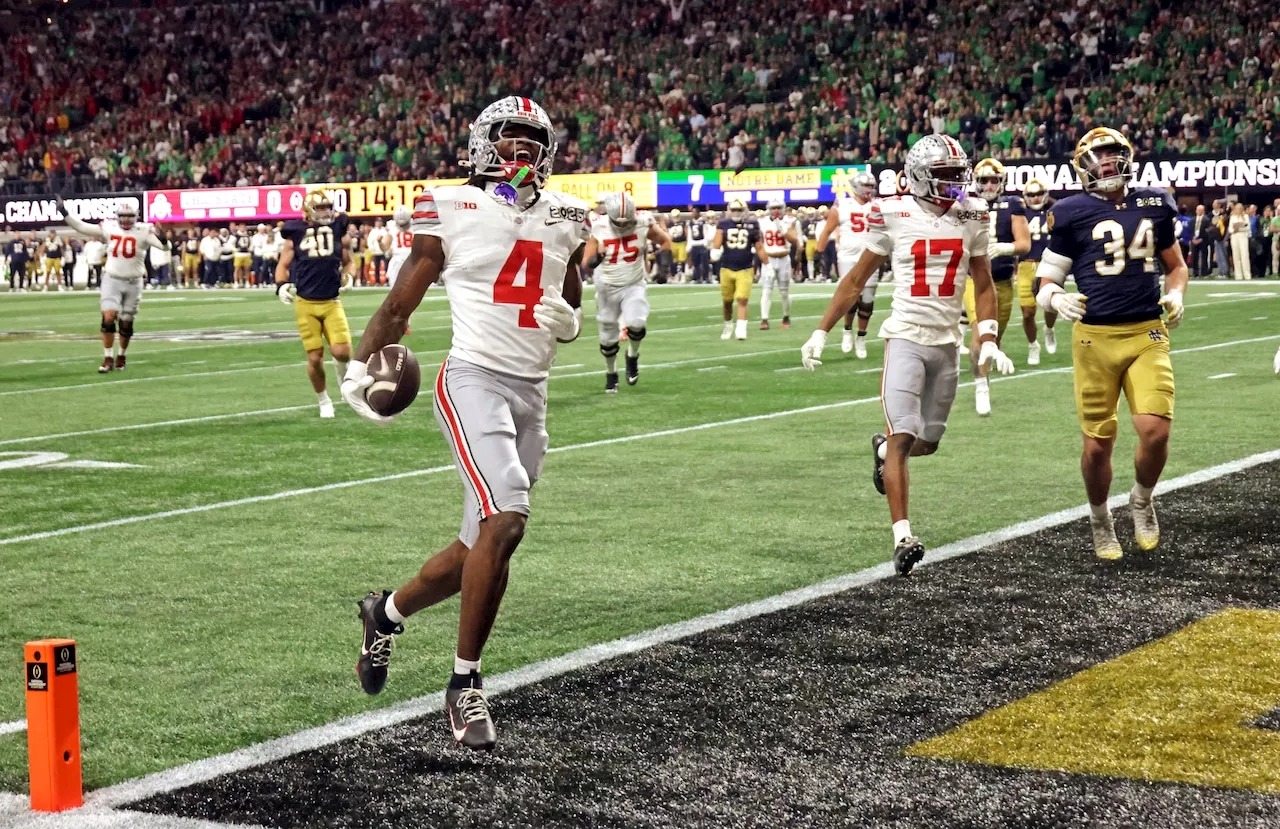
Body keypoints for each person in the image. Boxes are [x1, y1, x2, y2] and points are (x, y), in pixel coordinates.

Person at [342, 96, 589, 751]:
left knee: (477, 547)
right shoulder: (449, 205)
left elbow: (568, 301)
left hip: (532, 391)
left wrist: (572, 318)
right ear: (483, 146)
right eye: (510, 142)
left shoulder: (569, 214)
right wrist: (357, 368)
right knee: (508, 511)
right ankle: (463, 684)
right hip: (472, 377)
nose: (522, 155)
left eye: (533, 144)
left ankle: (384, 612)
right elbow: (401, 302)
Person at [800, 134, 1014, 576]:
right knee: (903, 433)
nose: (957, 184)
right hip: (904, 337)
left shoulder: (974, 214)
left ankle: (882, 454)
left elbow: (984, 281)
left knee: (927, 443)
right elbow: (857, 279)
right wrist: (821, 331)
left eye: (960, 175)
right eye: (946, 176)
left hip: (947, 340)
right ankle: (903, 537)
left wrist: (988, 336)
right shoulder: (891, 212)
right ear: (919, 176)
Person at [1035, 127, 1188, 560]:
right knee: (1097, 444)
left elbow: (1175, 266)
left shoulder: (1154, 202)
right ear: (1083, 163)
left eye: (1112, 153)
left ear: (1126, 157)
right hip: (1094, 338)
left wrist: (1176, 293)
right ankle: (1100, 517)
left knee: (1154, 431)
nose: (1106, 161)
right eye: (1098, 155)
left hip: (1146, 331)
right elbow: (1045, 280)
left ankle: (1141, 498)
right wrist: (1055, 297)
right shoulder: (1068, 211)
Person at [56, 196, 164, 373]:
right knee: (108, 316)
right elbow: (81, 227)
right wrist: (64, 213)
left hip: (134, 281)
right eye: (124, 216)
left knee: (126, 323)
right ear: (118, 216)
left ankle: (121, 355)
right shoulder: (109, 227)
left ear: (135, 216)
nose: (127, 219)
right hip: (112, 278)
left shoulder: (144, 230)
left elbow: (164, 248)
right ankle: (107, 357)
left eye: (130, 216)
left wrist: (164, 238)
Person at [276, 191, 356, 419]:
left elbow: (349, 262)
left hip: (331, 301)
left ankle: (343, 379)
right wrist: (281, 285)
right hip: (306, 303)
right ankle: (324, 400)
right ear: (309, 209)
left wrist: (350, 276)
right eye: (320, 208)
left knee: (342, 352)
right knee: (314, 357)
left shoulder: (338, 230)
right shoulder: (296, 232)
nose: (326, 212)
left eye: (327, 207)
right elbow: (283, 264)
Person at [585, 191, 669, 392]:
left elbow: (665, 241)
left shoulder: (643, 221)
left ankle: (632, 356)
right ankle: (611, 373)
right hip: (606, 286)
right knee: (607, 337)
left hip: (633, 283)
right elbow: (586, 263)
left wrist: (664, 269)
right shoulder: (598, 225)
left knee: (637, 323)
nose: (623, 226)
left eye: (626, 222)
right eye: (618, 222)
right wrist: (597, 258)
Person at [967, 158, 1029, 414]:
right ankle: (981, 385)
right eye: (984, 180)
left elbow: (1024, 244)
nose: (990, 184)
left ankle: (985, 377)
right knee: (979, 337)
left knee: (995, 339)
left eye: (994, 179)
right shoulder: (966, 203)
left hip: (1002, 281)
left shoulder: (1012, 204)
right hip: (973, 281)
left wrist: (1005, 247)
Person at [816, 171, 877, 357]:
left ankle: (861, 337)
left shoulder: (877, 206)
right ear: (857, 186)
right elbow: (827, 230)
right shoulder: (842, 205)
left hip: (871, 256)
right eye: (866, 186)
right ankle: (847, 330)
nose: (869, 190)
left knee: (867, 300)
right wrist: (819, 253)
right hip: (848, 257)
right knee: (850, 297)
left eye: (871, 186)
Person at [712, 199, 767, 340]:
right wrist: (715, 250)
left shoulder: (752, 224)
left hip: (745, 267)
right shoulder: (723, 224)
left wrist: (767, 264)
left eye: (739, 210)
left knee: (742, 299)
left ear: (745, 211)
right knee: (727, 301)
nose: (736, 213)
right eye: (734, 210)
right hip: (726, 267)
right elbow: (717, 242)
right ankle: (728, 325)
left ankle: (741, 327)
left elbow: (759, 246)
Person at [1017, 178, 1058, 364]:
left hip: (1048, 264)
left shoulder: (1054, 212)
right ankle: (1033, 344)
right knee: (1027, 312)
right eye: (1031, 195)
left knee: (1050, 305)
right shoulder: (1020, 213)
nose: (1035, 198)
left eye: (1039, 194)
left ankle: (1049, 329)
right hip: (1026, 265)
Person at [757, 198, 799, 330]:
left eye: (778, 208)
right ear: (769, 209)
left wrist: (782, 229)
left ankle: (786, 316)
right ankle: (764, 319)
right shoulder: (761, 222)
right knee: (766, 291)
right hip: (769, 258)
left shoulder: (790, 221)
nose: (776, 211)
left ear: (783, 208)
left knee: (784, 292)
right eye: (773, 208)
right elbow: (758, 242)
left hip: (783, 258)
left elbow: (794, 240)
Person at [385, 206, 414, 286]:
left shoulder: (416, 225)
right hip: (398, 259)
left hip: (412, 258)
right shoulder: (391, 226)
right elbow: (385, 246)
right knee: (394, 286)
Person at [686, 207, 710, 284]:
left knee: (705, 263)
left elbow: (705, 232)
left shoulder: (703, 222)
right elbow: (689, 234)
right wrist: (689, 244)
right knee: (696, 263)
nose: (693, 214)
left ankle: (706, 277)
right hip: (694, 244)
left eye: (694, 212)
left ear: (698, 213)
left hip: (702, 243)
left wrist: (706, 242)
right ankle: (697, 278)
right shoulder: (690, 223)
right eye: (692, 212)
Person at [1228, 203, 1251, 280]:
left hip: (1243, 236)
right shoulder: (1232, 217)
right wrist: (1234, 230)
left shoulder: (1245, 216)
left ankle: (1247, 275)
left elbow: (1247, 228)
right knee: (1236, 256)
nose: (1238, 210)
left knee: (1244, 255)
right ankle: (1238, 275)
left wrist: (1239, 229)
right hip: (1234, 237)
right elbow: (1230, 229)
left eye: (1239, 209)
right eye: (1236, 209)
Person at [668, 208, 687, 282]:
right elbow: (668, 234)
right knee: (674, 261)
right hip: (673, 243)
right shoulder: (670, 224)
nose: (675, 218)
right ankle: (675, 275)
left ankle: (682, 275)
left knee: (682, 260)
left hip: (681, 242)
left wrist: (687, 242)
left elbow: (685, 232)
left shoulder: (682, 223)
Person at [233, 223, 254, 287]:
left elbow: (252, 243)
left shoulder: (248, 235)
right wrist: (235, 249)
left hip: (246, 254)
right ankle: (236, 282)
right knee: (237, 269)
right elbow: (231, 244)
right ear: (239, 228)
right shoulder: (235, 235)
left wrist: (250, 249)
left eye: (244, 227)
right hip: (238, 254)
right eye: (241, 227)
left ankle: (247, 282)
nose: (242, 228)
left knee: (247, 269)